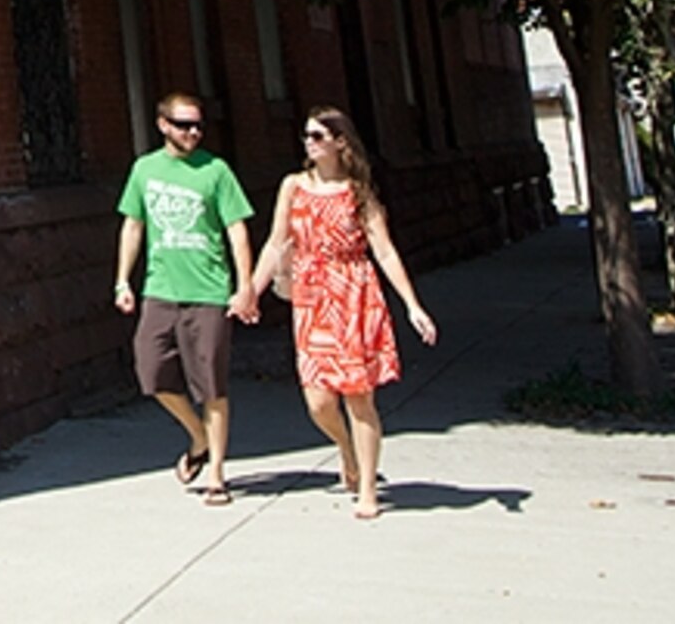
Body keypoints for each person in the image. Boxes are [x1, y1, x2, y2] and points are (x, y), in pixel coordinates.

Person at [243, 105, 437, 518]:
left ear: (340, 143)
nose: (309, 143)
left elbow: (383, 250)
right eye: (307, 136)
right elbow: (276, 245)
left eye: (317, 136)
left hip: (354, 297)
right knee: (318, 401)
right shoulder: (293, 187)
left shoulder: (359, 193)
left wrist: (413, 306)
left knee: (359, 399)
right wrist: (251, 292)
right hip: (312, 300)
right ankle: (345, 449)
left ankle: (367, 487)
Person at [114, 91, 257, 503]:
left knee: (211, 384)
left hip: (208, 292)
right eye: (183, 125)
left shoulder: (216, 171)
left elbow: (237, 230)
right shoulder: (144, 170)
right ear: (163, 125)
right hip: (159, 290)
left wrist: (244, 286)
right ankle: (198, 436)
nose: (193, 132)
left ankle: (216, 474)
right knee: (151, 370)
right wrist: (123, 280)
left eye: (198, 125)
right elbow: (133, 226)